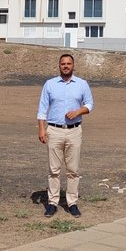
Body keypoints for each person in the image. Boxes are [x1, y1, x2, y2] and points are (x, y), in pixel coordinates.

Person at [37, 53, 94, 218]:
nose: (66, 66)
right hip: (54, 130)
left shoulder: (82, 84)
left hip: (74, 131)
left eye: (69, 63)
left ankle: (72, 203)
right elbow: (42, 109)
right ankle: (52, 203)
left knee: (73, 170)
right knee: (54, 170)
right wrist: (41, 129)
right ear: (59, 66)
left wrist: (78, 111)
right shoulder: (50, 84)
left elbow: (90, 104)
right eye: (63, 64)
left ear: (73, 66)